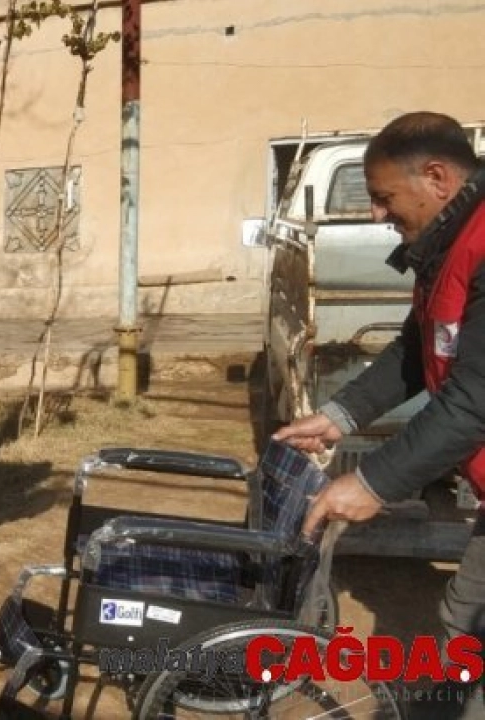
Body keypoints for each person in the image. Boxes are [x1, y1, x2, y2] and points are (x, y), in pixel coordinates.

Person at [275, 112, 485, 714]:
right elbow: (421, 347)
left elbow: (475, 396)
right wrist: (340, 415)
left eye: (383, 197)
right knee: (464, 622)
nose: (375, 214)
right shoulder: (446, 244)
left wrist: (372, 482)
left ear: (437, 178)